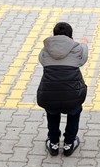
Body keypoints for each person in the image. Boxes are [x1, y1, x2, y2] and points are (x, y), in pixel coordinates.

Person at [36, 21, 88, 156]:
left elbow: (42, 60)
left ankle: (53, 143)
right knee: (74, 112)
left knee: (52, 112)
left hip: (49, 95)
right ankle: (69, 144)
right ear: (71, 37)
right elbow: (83, 60)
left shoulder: (46, 49)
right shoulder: (78, 49)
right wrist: (84, 44)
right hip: (72, 95)